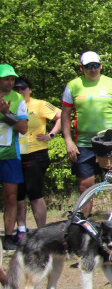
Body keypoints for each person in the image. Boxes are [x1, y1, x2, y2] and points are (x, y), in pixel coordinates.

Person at [61, 51, 112, 207]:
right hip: (84, 144)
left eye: (96, 65)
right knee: (85, 188)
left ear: (101, 65)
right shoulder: (73, 85)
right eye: (88, 66)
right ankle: (85, 227)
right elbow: (65, 115)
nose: (93, 69)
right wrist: (68, 141)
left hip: (110, 143)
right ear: (81, 68)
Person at [14, 77, 61, 231]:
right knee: (18, 195)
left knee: (35, 194)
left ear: (30, 89)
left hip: (35, 153)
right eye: (17, 89)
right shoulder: (11, 104)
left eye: (23, 88)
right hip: (15, 154)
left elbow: (61, 115)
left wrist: (51, 135)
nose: (20, 91)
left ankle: (42, 231)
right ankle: (21, 229)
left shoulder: (39, 104)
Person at [0, 65, 29, 251]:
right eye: (6, 79)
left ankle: (9, 237)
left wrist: (6, 113)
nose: (10, 82)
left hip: (10, 155)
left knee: (11, 198)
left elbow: (23, 128)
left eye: (12, 79)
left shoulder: (18, 99)